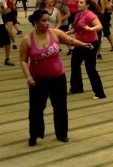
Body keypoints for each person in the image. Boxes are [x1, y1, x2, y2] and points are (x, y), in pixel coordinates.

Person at [20, 9, 94, 146]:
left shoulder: (55, 33)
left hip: (58, 77)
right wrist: (28, 77)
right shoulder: (27, 40)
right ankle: (34, 135)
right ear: (36, 22)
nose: (47, 23)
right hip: (38, 80)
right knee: (36, 109)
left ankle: (62, 134)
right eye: (43, 21)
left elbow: (70, 40)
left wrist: (83, 44)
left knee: (60, 107)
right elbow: (23, 61)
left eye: (48, 20)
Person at [68, 0, 106, 99]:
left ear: (87, 5)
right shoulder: (78, 15)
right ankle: (77, 88)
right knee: (75, 65)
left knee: (90, 68)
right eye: (78, 2)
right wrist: (66, 33)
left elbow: (99, 26)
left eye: (81, 3)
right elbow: (76, 29)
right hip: (80, 44)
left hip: (91, 44)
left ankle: (100, 93)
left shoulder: (90, 15)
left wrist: (91, 28)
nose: (78, 4)